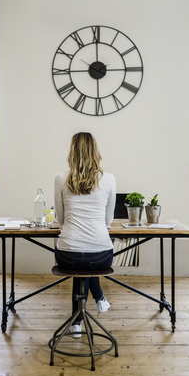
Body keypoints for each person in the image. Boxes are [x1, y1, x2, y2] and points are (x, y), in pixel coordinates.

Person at [54, 132, 116, 338]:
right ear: (95, 151)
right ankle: (98, 298)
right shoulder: (108, 179)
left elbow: (60, 220)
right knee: (88, 261)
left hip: (67, 254)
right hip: (100, 254)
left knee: (80, 262)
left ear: (72, 152)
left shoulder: (61, 179)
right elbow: (108, 221)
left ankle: (77, 322)